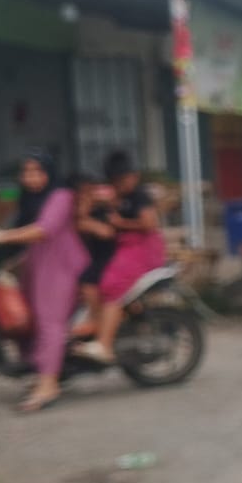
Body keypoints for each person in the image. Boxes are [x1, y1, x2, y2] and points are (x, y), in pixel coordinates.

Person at [0, 149, 88, 412]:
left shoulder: (61, 195)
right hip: (38, 265)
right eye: (26, 172)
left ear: (49, 172)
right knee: (31, 320)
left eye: (37, 171)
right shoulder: (30, 198)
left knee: (50, 323)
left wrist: (2, 237)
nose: (31, 177)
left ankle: (49, 385)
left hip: (62, 266)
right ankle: (43, 372)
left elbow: (44, 230)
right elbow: (21, 227)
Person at [76, 151, 166, 365]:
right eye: (116, 181)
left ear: (133, 176)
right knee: (102, 283)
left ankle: (104, 345)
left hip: (142, 250)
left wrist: (120, 223)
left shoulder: (139, 197)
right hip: (127, 249)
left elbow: (149, 224)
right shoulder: (119, 197)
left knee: (112, 284)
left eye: (124, 179)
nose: (121, 184)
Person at [71, 173, 117, 340]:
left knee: (88, 281)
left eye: (89, 193)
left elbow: (106, 232)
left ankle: (95, 321)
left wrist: (86, 219)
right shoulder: (76, 216)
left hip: (108, 259)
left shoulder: (100, 212)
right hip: (91, 258)